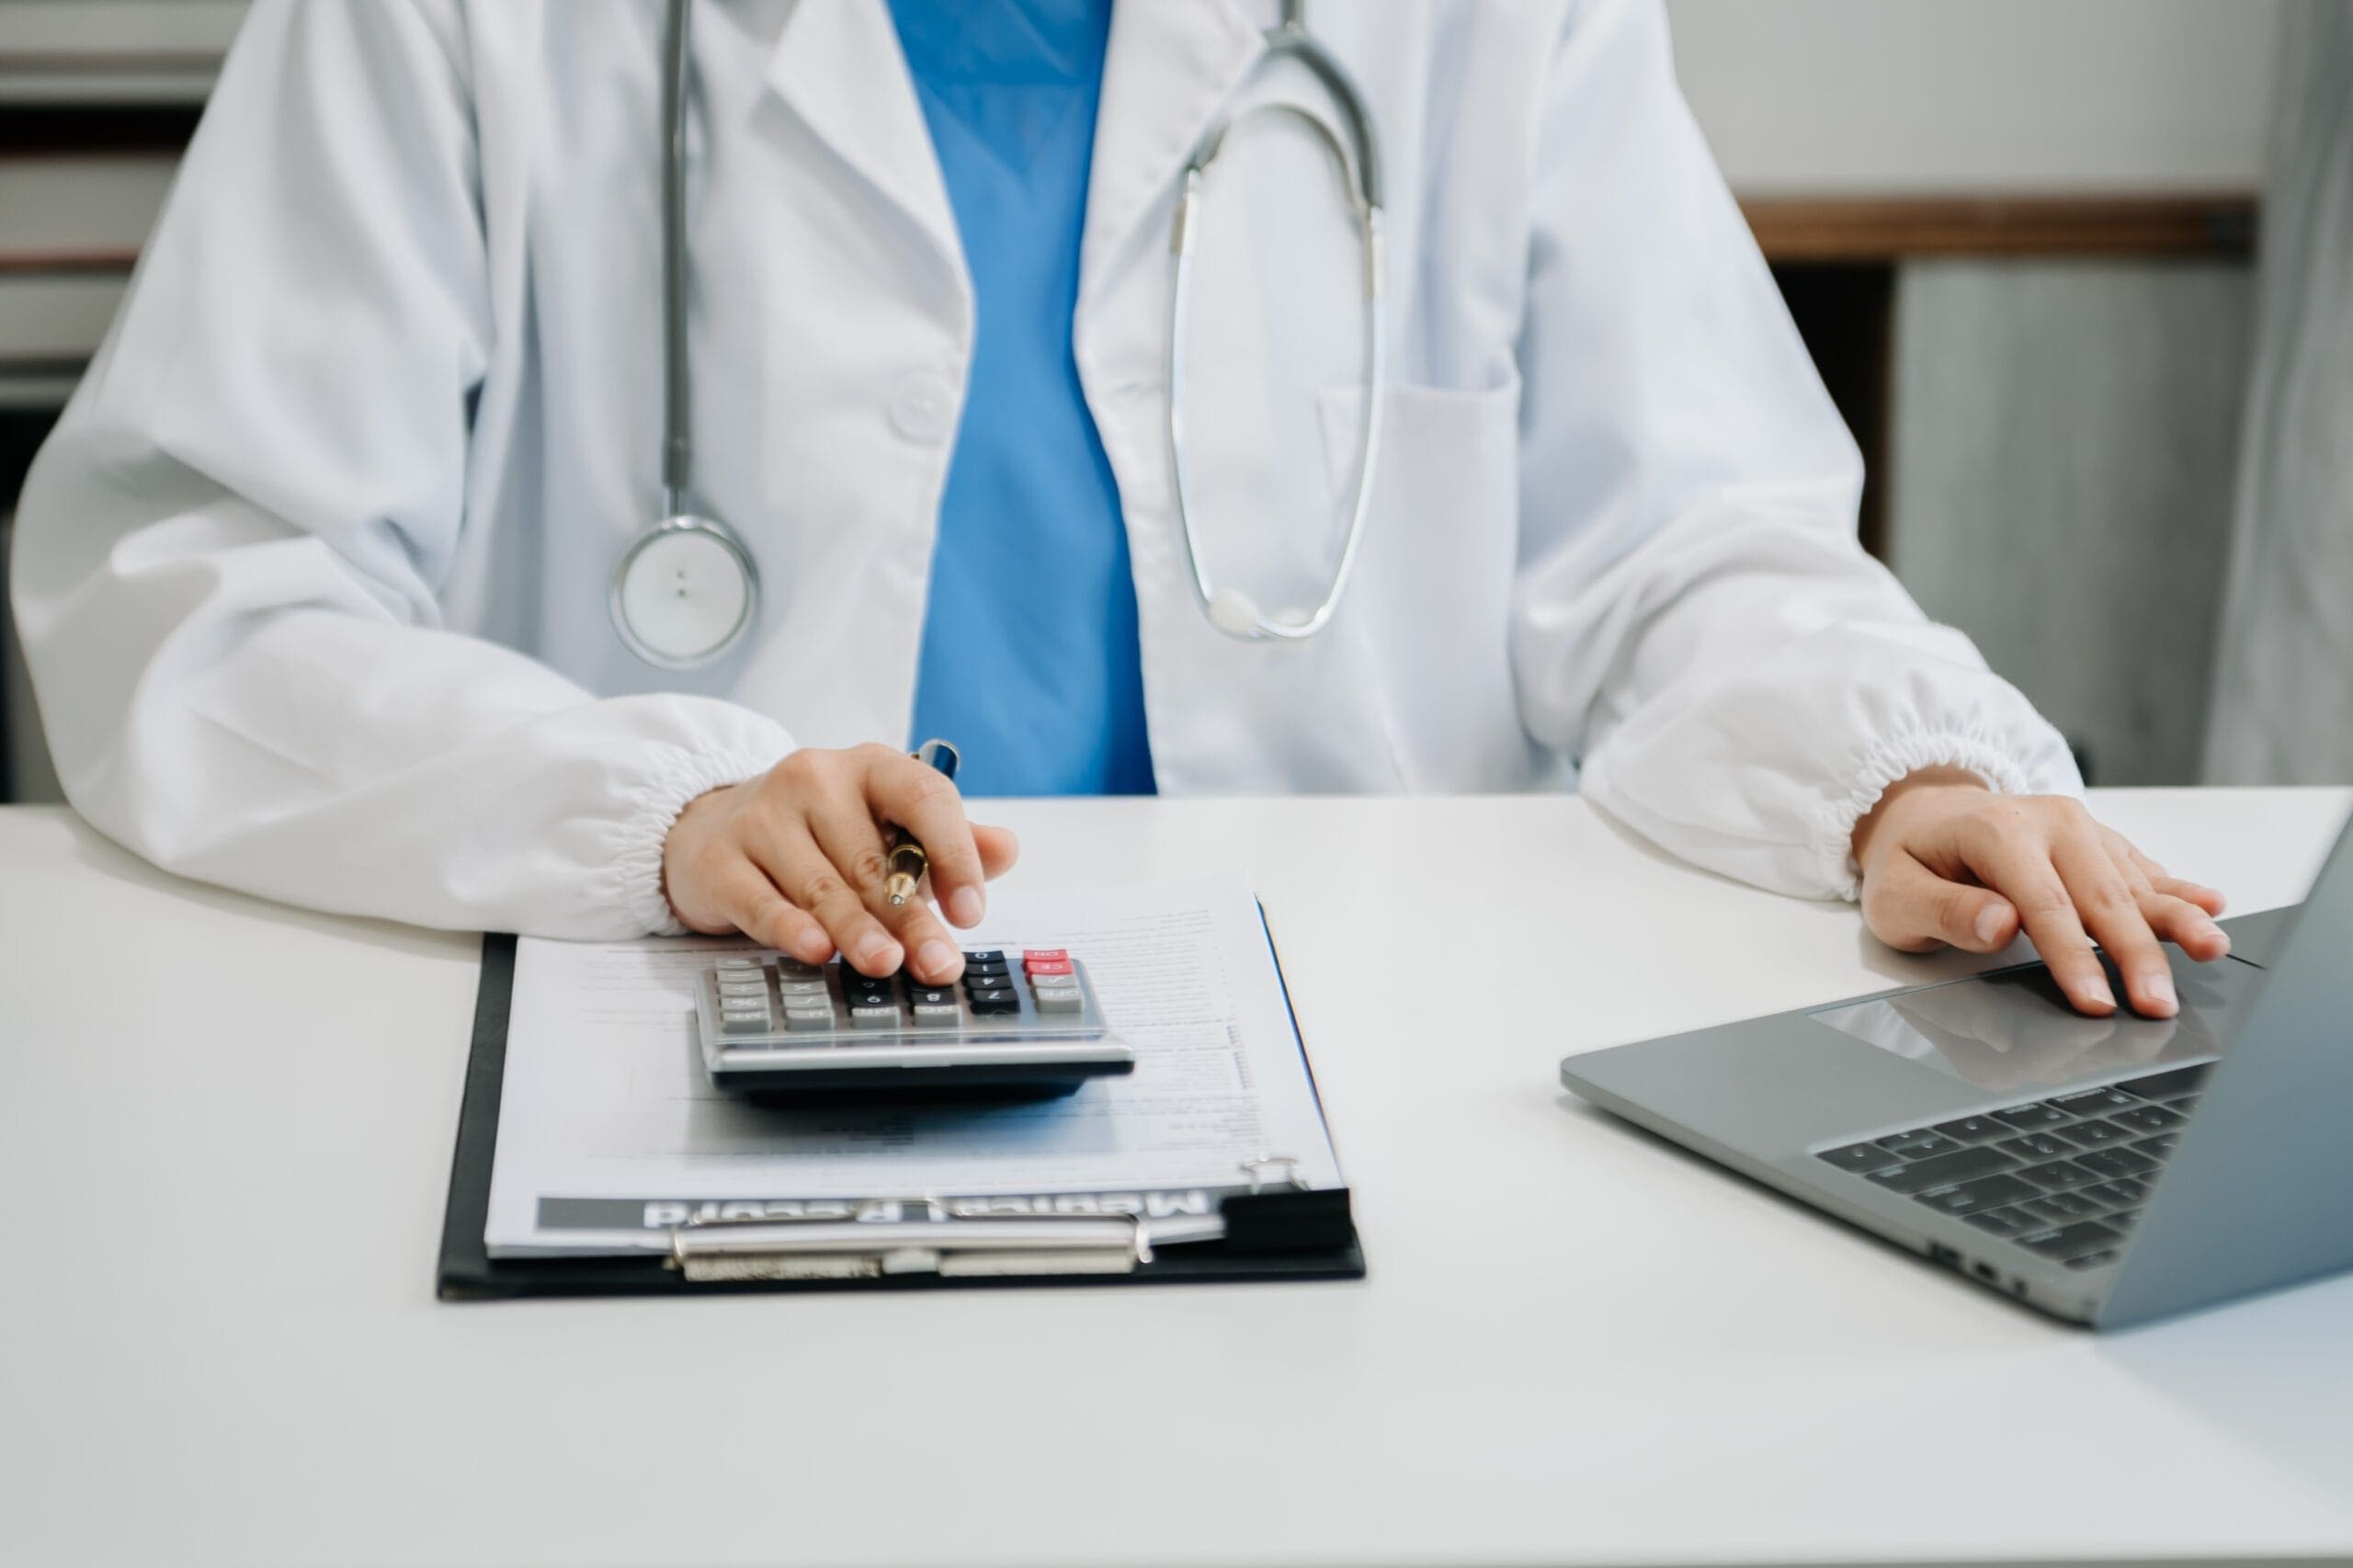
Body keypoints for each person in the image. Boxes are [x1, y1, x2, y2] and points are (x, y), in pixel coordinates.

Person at [11, 0, 2230, 1018]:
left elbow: (1684, 543)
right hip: (688, 1032)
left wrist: (1894, 769)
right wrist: (652, 807)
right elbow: (195, 582)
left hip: (1371, 1056)